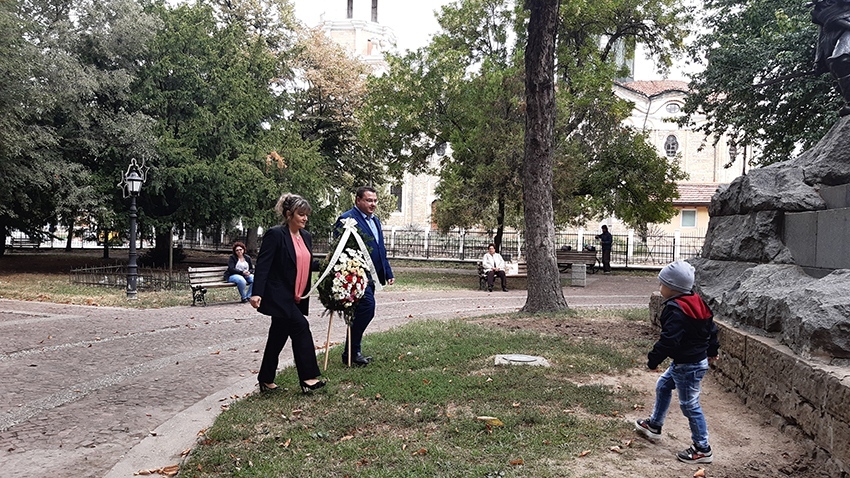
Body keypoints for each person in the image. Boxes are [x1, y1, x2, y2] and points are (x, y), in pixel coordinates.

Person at [635, 260, 719, 465]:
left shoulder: (675, 310)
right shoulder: (697, 302)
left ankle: (702, 448)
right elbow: (712, 329)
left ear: (673, 287)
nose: (660, 287)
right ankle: (654, 425)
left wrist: (653, 359)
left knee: (690, 405)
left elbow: (669, 340)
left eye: (662, 284)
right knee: (663, 386)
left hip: (687, 366)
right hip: (690, 362)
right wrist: (712, 350)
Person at [250, 194, 325, 394]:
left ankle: (265, 380)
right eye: (301, 214)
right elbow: (263, 265)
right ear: (289, 214)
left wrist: (329, 265)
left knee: (277, 336)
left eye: (306, 215)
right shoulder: (276, 234)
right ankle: (308, 378)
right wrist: (256, 292)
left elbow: (306, 264)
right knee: (301, 326)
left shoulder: (305, 236)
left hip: (297, 296)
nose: (305, 218)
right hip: (279, 295)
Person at [334, 186, 394, 366]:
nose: (373, 204)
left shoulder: (375, 221)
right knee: (367, 308)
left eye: (375, 200)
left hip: (373, 275)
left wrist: (388, 271)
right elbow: (339, 248)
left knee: (363, 312)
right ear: (358, 200)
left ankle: (351, 353)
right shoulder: (346, 219)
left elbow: (380, 248)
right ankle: (352, 352)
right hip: (356, 276)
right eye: (369, 200)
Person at [812, 0, 850, 115]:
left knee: (841, 60)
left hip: (847, 32)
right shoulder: (820, 10)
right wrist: (818, 60)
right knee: (836, 67)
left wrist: (838, 21)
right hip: (833, 37)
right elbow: (822, 33)